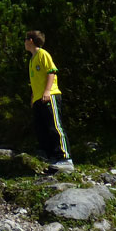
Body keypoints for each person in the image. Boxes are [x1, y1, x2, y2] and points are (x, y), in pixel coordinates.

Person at [25, 30, 73, 171]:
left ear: (31, 40)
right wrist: (33, 96)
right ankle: (53, 158)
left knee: (55, 126)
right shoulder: (32, 59)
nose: (24, 42)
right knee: (42, 129)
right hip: (38, 98)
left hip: (49, 95)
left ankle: (65, 158)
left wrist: (47, 91)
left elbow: (51, 72)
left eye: (26, 39)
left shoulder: (42, 54)